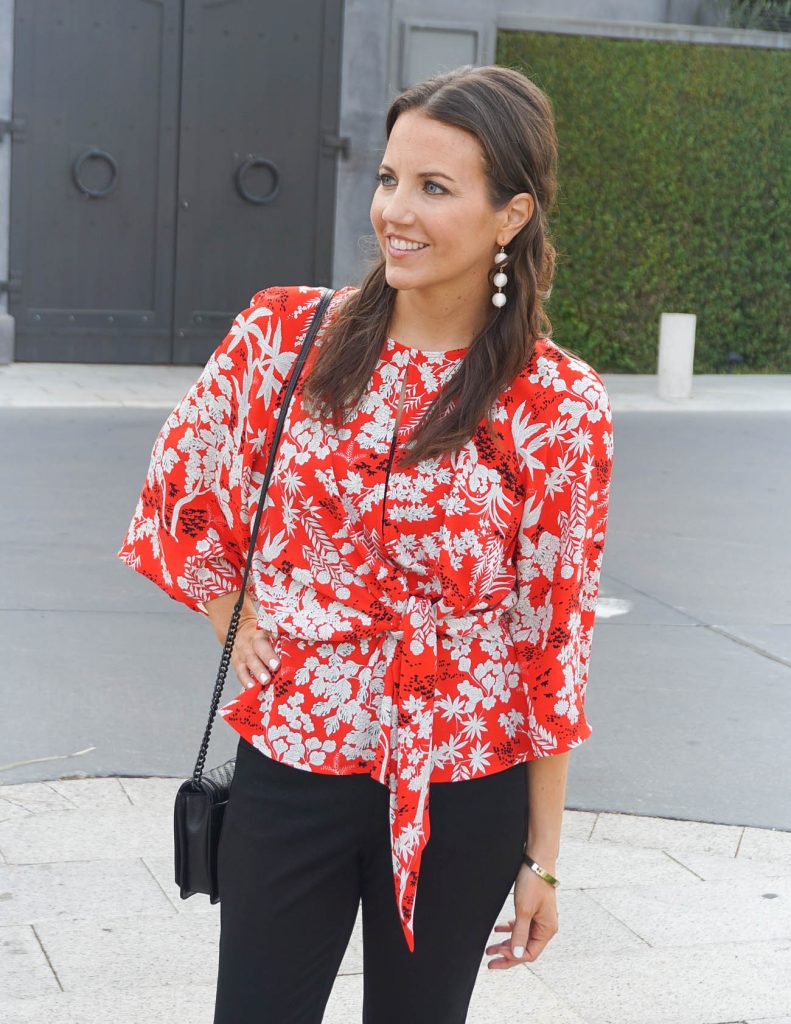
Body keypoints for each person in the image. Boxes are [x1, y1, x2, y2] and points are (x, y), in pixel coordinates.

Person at [118, 64, 614, 1024]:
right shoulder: (286, 335)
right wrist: (231, 610)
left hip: (462, 785)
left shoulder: (557, 407)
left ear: (510, 216)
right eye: (389, 179)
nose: (397, 210)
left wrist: (542, 857)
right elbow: (176, 485)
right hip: (294, 760)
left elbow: (553, 645)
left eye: (435, 187)